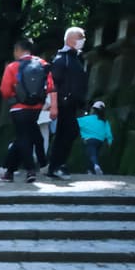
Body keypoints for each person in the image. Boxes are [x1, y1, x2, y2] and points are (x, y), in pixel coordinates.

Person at [0, 37, 56, 183]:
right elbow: (51, 86)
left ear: (18, 50)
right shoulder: (43, 64)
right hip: (36, 108)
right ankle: (9, 171)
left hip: (18, 108)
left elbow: (5, 90)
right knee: (26, 137)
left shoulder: (12, 66)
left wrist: (14, 98)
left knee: (23, 138)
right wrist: (52, 105)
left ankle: (30, 170)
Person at [48, 26, 89, 178]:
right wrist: (54, 105)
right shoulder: (62, 59)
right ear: (71, 40)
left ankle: (56, 165)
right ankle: (57, 165)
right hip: (63, 103)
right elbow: (53, 83)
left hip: (72, 103)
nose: (82, 41)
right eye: (80, 37)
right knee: (68, 132)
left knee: (64, 134)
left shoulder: (75, 58)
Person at [78, 100, 113, 174]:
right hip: (100, 141)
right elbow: (108, 133)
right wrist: (109, 142)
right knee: (94, 153)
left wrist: (82, 136)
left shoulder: (86, 119)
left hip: (89, 139)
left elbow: (75, 123)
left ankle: (96, 165)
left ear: (93, 109)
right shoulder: (104, 121)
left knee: (91, 154)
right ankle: (90, 170)